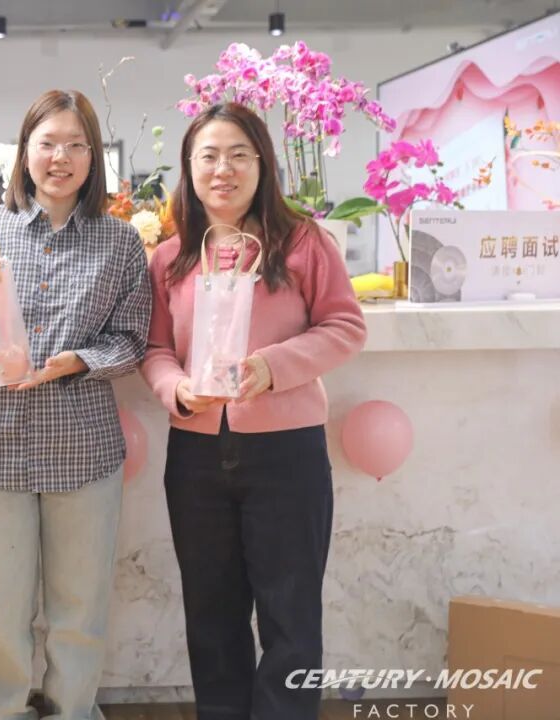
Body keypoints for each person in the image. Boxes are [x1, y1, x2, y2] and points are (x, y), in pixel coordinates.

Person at [140, 102, 367, 720]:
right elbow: (155, 350)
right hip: (195, 455)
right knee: (211, 616)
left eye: (239, 155)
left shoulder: (303, 242)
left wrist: (273, 367)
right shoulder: (171, 257)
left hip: (285, 453)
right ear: (189, 168)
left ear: (263, 164)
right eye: (209, 156)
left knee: (290, 617)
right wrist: (175, 389)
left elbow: (345, 326)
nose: (224, 169)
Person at [0, 89, 152, 720]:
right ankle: (3, 712)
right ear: (25, 152)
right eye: (47, 143)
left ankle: (72, 712)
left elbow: (132, 341)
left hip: (83, 451)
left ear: (93, 157)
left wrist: (79, 361)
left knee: (79, 611)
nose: (60, 157)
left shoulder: (121, 243)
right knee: (0, 611)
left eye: (75, 145)